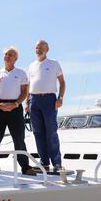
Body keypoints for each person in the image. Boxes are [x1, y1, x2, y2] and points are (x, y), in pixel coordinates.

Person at [0, 47, 36, 175]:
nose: (7, 56)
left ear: (15, 58)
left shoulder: (21, 73)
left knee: (19, 139)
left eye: (10, 55)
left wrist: (15, 104)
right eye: (5, 54)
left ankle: (25, 167)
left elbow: (24, 92)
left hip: (15, 108)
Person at [26, 40, 66, 173]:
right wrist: (27, 102)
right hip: (34, 100)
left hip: (49, 99)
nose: (38, 49)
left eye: (41, 47)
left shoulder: (54, 64)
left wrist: (60, 98)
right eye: (36, 47)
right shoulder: (31, 65)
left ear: (47, 49)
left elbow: (62, 82)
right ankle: (44, 163)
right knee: (38, 133)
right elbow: (28, 86)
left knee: (51, 131)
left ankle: (57, 163)